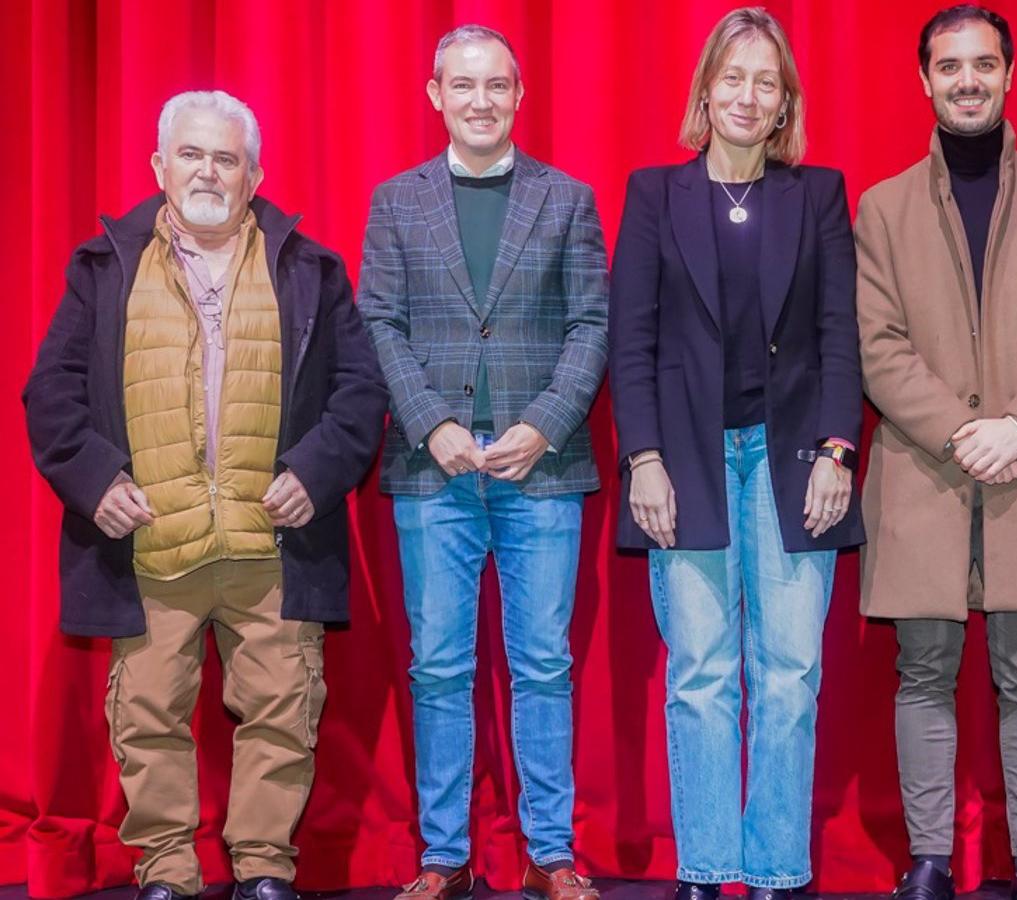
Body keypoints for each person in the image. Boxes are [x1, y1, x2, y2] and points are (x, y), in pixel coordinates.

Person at [22, 90, 387, 900]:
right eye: (191, 155)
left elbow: (361, 393)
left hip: (273, 546)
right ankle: (167, 874)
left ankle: (263, 868)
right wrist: (96, 483)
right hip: (153, 543)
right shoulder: (104, 268)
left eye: (227, 158)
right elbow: (50, 393)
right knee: (147, 715)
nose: (209, 172)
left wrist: (316, 472)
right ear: (160, 166)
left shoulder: (309, 270)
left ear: (254, 176)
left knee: (283, 713)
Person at [853, 6, 1017, 900]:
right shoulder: (880, 208)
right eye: (950, 66)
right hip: (924, 476)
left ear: (1010, 74)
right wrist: (961, 433)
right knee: (922, 667)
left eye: (984, 64)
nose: (968, 80)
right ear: (924, 80)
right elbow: (877, 346)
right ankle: (929, 860)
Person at [608, 8, 864, 899]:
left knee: (790, 674)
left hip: (794, 461)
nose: (748, 95)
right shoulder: (653, 194)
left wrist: (839, 448)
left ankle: (780, 871)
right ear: (706, 90)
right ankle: (709, 868)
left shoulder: (820, 194)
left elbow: (842, 336)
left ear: (784, 98)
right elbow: (629, 341)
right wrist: (642, 457)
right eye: (733, 77)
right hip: (686, 463)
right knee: (702, 675)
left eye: (767, 81)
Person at [358, 24, 609, 900]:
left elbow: (591, 327)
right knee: (438, 667)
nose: (481, 101)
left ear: (519, 95)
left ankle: (550, 854)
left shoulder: (568, 199)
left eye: (497, 85)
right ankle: (444, 857)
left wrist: (543, 423)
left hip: (540, 467)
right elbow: (379, 324)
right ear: (434, 95)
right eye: (463, 86)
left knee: (543, 663)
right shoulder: (396, 202)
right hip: (435, 473)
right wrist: (430, 425)